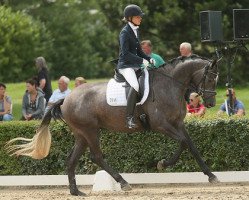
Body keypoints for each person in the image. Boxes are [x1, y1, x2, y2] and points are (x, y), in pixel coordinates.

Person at [117, 4, 155, 129]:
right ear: (130, 18)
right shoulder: (124, 32)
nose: (140, 19)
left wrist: (149, 59)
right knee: (135, 85)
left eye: (140, 17)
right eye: (138, 17)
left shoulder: (135, 30)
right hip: (125, 65)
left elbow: (139, 51)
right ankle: (129, 118)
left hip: (134, 64)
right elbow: (125, 53)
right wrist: (141, 61)